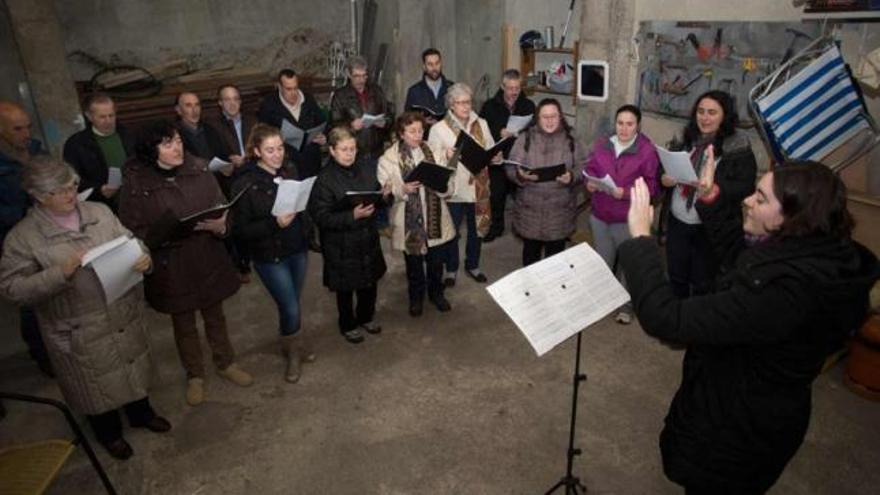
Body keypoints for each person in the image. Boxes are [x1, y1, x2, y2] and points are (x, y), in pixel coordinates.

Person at [620, 162, 879, 494]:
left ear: (791, 217)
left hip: (735, 431)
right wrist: (711, 199)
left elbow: (666, 318)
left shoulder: (786, 294)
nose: (746, 200)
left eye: (760, 197)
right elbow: (742, 261)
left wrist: (642, 239)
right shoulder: (808, 252)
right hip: (759, 411)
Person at [0, 158, 170, 460]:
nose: (70, 195)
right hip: (78, 324)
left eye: (73, 186)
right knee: (93, 383)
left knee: (131, 366)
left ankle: (141, 413)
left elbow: (130, 240)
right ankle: (108, 433)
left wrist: (143, 256)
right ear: (39, 196)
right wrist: (59, 273)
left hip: (120, 310)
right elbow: (12, 289)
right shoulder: (24, 237)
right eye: (60, 191)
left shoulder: (99, 212)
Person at [118, 121, 253, 406]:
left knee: (216, 316)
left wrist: (222, 226)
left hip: (207, 254)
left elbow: (221, 205)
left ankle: (226, 362)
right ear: (151, 151)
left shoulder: (199, 169)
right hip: (172, 264)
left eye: (178, 140)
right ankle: (195, 375)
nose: (177, 147)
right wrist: (158, 237)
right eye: (168, 143)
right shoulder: (136, 183)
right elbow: (131, 229)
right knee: (184, 324)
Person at [230, 124, 314, 383]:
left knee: (292, 302)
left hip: (297, 247)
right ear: (256, 151)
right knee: (289, 305)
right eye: (270, 150)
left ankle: (290, 342)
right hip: (269, 255)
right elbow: (241, 230)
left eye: (280, 148)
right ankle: (292, 354)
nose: (278, 155)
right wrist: (274, 224)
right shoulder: (244, 184)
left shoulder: (290, 170)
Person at [662, 90, 757, 298]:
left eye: (712, 113)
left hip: (711, 227)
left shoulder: (737, 144)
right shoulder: (684, 137)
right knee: (676, 276)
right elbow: (666, 169)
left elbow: (746, 187)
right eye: (701, 111)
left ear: (725, 115)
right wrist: (665, 179)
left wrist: (714, 188)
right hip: (678, 221)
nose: (704, 118)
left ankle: (696, 325)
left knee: (703, 281)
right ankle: (678, 319)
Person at [308, 127, 389, 344]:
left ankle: (366, 317)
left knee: (369, 282)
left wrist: (384, 196)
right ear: (332, 151)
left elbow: (375, 195)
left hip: (367, 238)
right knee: (345, 288)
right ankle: (348, 324)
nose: (349, 154)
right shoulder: (324, 179)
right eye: (343, 149)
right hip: (340, 244)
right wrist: (351, 215)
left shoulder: (365, 168)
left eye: (352, 148)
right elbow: (321, 217)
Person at [584, 104, 659, 324]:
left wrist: (624, 193)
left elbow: (652, 187)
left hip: (627, 217)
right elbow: (591, 169)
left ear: (638, 126)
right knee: (603, 262)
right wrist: (590, 182)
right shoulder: (602, 144)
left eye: (629, 124)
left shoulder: (647, 151)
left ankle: (626, 306)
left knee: (627, 263)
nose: (624, 129)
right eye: (620, 123)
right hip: (600, 215)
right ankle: (602, 300)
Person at [378, 112, 456, 317]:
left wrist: (441, 183)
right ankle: (416, 298)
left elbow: (449, 183)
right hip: (408, 218)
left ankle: (437, 294)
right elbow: (384, 189)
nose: (417, 135)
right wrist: (402, 189)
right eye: (412, 131)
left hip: (435, 216)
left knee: (436, 262)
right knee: (413, 265)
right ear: (401, 133)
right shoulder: (389, 157)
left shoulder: (434, 150)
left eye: (421, 130)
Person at [0, 100, 52, 376]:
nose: (26, 134)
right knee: (31, 299)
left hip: (47, 232)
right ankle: (41, 354)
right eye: (18, 129)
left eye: (28, 127)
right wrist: (25, 209)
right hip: (15, 240)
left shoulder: (35, 151)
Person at [428, 82, 494, 286]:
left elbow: (489, 149)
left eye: (469, 102)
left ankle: (473, 265)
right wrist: (445, 155)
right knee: (452, 232)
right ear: (451, 105)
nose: (466, 106)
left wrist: (496, 156)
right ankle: (451, 268)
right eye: (461, 103)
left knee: (476, 230)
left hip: (478, 188)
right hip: (454, 190)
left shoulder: (481, 123)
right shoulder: (438, 129)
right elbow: (430, 160)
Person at [506, 98, 586, 266]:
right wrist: (521, 176)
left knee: (555, 264)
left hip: (560, 212)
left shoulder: (571, 138)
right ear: (538, 118)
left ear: (561, 117)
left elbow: (583, 167)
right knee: (530, 260)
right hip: (530, 211)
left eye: (554, 116)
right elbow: (511, 168)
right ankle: (530, 291)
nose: (549, 120)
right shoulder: (525, 138)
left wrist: (571, 177)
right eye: (545, 116)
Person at [479, 69, 535, 242]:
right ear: (502, 86)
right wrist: (498, 131)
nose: (513, 93)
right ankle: (496, 227)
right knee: (497, 194)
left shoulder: (528, 105)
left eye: (517, 88)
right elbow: (481, 131)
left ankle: (523, 228)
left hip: (519, 158)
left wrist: (520, 132)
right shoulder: (489, 106)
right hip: (498, 157)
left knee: (523, 195)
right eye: (510, 88)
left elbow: (535, 130)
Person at [209, 84, 256, 282]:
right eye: (227, 99)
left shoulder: (252, 121)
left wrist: (250, 156)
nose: (232, 103)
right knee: (234, 223)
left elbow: (260, 144)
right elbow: (210, 152)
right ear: (220, 103)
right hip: (229, 179)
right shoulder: (212, 125)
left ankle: (255, 255)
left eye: (235, 98)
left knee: (254, 217)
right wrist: (228, 159)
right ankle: (240, 264)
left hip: (252, 174)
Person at [62, 93, 135, 210]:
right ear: (89, 116)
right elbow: (71, 178)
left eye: (111, 115)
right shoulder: (76, 144)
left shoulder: (129, 134)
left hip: (134, 197)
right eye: (102, 117)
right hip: (102, 205)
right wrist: (99, 190)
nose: (108, 121)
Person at [257, 68, 328, 179]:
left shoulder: (308, 99)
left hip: (312, 160)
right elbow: (262, 132)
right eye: (289, 89)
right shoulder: (269, 105)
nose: (293, 93)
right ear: (279, 87)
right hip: (287, 164)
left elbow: (322, 122)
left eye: (295, 88)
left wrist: (323, 136)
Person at [404, 48, 454, 127]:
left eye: (437, 63)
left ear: (441, 64)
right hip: (424, 136)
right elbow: (406, 121)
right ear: (424, 66)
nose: (434, 68)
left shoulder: (452, 88)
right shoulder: (414, 91)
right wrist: (423, 121)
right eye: (430, 64)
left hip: (448, 136)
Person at [174, 92, 227, 162]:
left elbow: (223, 156)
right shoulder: (175, 134)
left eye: (197, 105)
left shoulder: (210, 130)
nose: (194, 110)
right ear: (178, 110)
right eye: (188, 105)